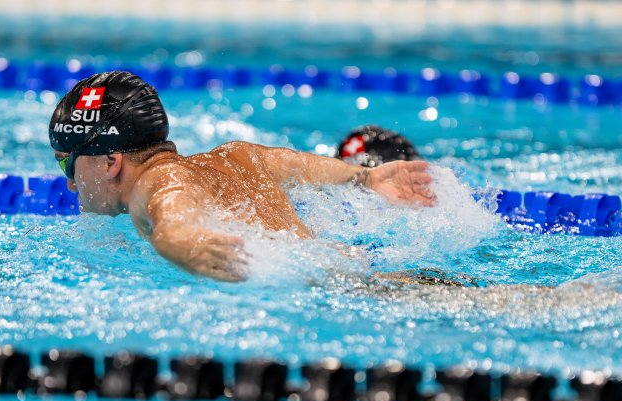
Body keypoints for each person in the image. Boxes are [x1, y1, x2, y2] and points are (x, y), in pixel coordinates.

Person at [50, 71, 437, 282]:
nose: (69, 181)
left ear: (110, 161)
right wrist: (364, 179)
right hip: (358, 270)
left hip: (328, 290)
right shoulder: (233, 156)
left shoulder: (157, 182)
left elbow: (172, 218)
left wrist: (183, 245)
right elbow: (293, 164)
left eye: (67, 162)